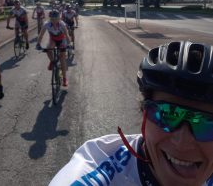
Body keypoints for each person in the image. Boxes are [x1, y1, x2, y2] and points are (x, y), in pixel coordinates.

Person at [49, 41, 213, 186]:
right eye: (168, 115)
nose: (182, 143)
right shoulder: (95, 172)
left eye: (208, 124)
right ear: (144, 113)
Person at [36, 10, 71, 87]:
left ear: (59, 18)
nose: (54, 20)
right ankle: (53, 61)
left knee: (62, 59)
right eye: (52, 19)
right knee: (48, 49)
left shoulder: (62, 24)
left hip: (62, 40)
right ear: (50, 18)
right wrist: (38, 44)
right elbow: (41, 35)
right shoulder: (46, 24)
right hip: (53, 39)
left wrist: (69, 44)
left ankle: (65, 79)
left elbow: (67, 35)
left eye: (56, 18)